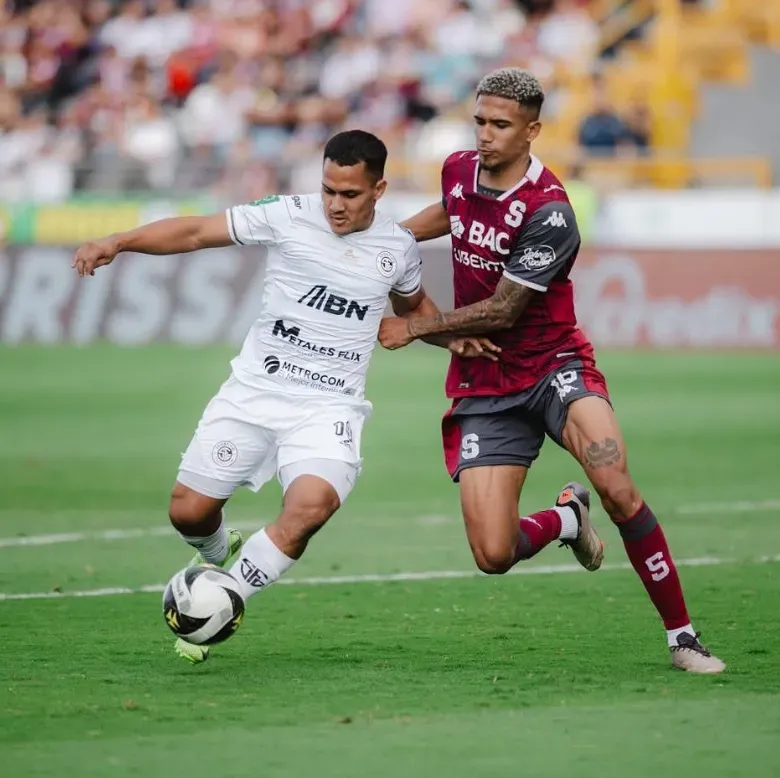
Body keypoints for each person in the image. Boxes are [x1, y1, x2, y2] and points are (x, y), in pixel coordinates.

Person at [73, 129, 495, 664]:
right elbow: (197, 232)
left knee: (310, 507)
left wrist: (450, 333)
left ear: (379, 189)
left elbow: (415, 310)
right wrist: (118, 241)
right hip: (254, 392)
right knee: (189, 512)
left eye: (350, 194)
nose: (336, 205)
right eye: (329, 191)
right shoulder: (286, 215)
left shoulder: (397, 248)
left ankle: (225, 601)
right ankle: (216, 550)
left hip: (329, 407)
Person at [379, 69, 725, 674]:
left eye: (501, 125)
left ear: (533, 130)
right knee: (493, 553)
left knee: (616, 482)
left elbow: (504, 310)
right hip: (486, 386)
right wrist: (392, 239)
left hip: (552, 366)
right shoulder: (458, 168)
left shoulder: (551, 212)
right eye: (480, 121)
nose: (486, 136)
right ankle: (567, 518)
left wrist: (414, 327)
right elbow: (452, 210)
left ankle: (683, 637)